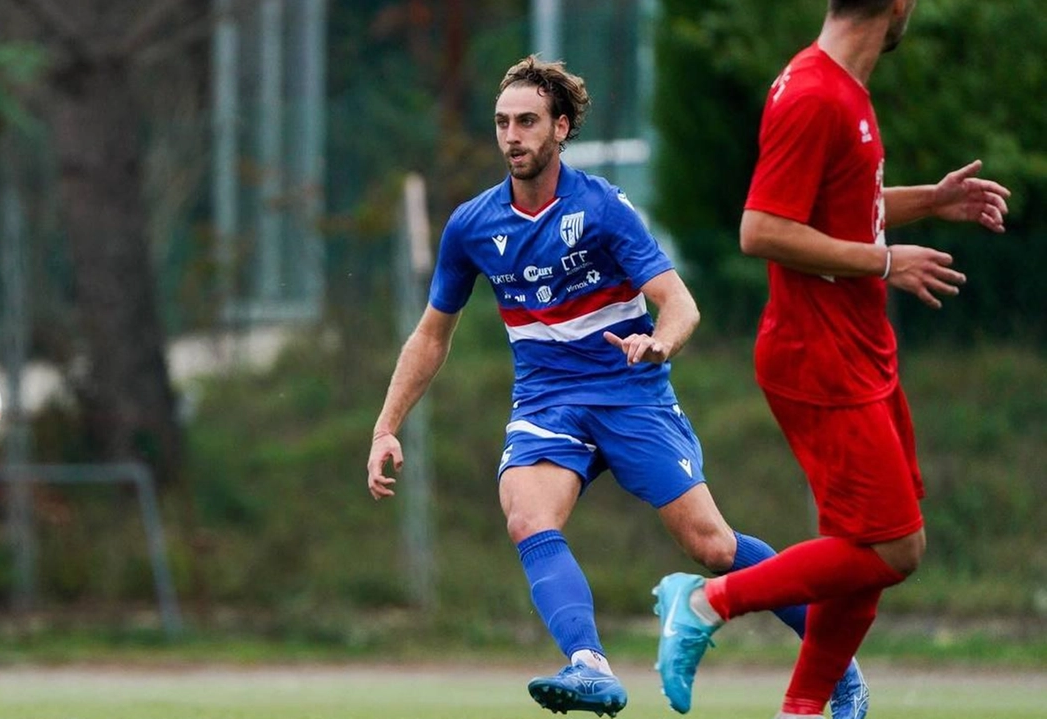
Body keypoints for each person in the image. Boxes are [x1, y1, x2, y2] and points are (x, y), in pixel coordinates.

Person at [366, 55, 869, 718]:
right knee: (526, 514)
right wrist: (386, 424)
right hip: (548, 399)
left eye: (527, 121)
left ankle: (837, 664)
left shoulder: (602, 208)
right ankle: (589, 663)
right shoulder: (472, 226)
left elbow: (679, 301)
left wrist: (661, 340)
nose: (512, 135)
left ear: (562, 128)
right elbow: (432, 334)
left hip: (630, 391)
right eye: (501, 123)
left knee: (712, 545)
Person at [651, 2, 1012, 718]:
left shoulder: (842, 87)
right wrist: (884, 260)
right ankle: (707, 599)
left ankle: (807, 705)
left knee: (868, 544)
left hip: (859, 351)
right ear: (898, 5)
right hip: (818, 358)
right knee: (894, 547)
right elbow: (761, 228)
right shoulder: (815, 93)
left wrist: (927, 202)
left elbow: (839, 206)